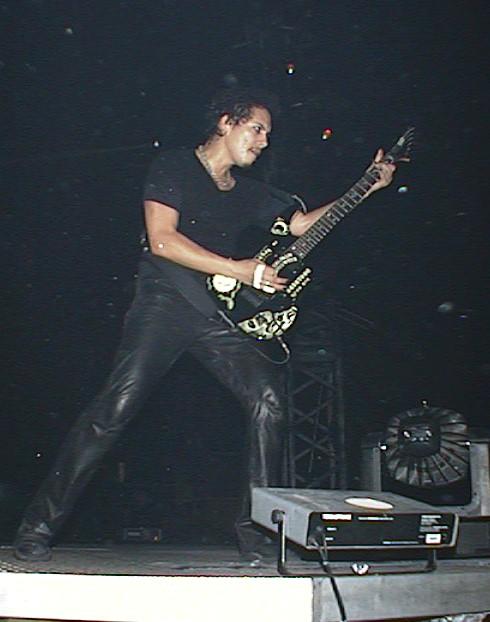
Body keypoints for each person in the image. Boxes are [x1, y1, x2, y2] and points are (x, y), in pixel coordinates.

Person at [13, 87, 395, 563]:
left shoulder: (249, 192)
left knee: (268, 400)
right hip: (165, 304)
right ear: (226, 122)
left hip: (217, 317)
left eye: (267, 135)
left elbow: (301, 226)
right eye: (257, 129)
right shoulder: (175, 167)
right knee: (114, 408)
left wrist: (365, 187)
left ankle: (255, 533)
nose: (263, 142)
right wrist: (240, 269)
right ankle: (38, 527)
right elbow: (162, 241)